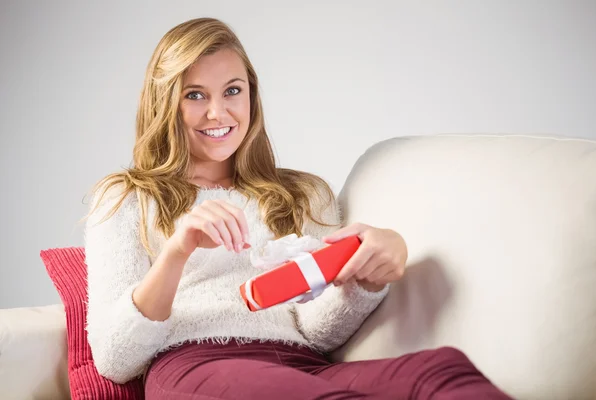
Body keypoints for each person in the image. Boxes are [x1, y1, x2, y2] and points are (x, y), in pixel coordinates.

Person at [84, 17, 513, 400]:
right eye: (195, 95)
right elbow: (115, 359)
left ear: (251, 94)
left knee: (440, 371)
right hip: (196, 366)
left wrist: (365, 276)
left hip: (301, 364)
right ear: (165, 105)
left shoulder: (303, 193)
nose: (218, 112)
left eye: (233, 90)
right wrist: (178, 250)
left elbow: (317, 330)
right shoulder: (126, 198)